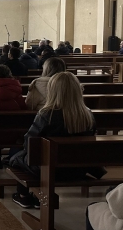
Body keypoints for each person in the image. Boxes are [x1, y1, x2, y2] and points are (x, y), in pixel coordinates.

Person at [10, 72, 99, 209]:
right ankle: (37, 196)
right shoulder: (87, 114)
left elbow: (30, 143)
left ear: (52, 91)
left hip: (51, 169)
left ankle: (24, 196)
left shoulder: (47, 114)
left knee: (16, 158)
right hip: (79, 169)